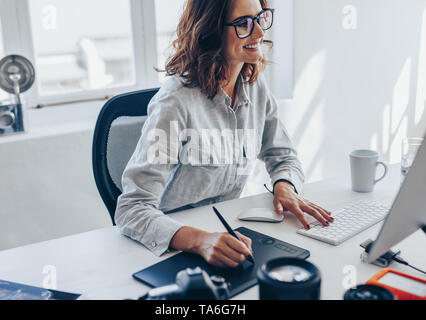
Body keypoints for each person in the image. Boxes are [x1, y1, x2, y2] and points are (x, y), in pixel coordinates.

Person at [115, 0, 334, 268]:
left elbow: (283, 156)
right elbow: (131, 209)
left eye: (261, 18)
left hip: (229, 233)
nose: (259, 34)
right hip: (173, 248)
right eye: (243, 24)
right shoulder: (175, 103)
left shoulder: (255, 87)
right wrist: (200, 240)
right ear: (211, 31)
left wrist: (285, 187)